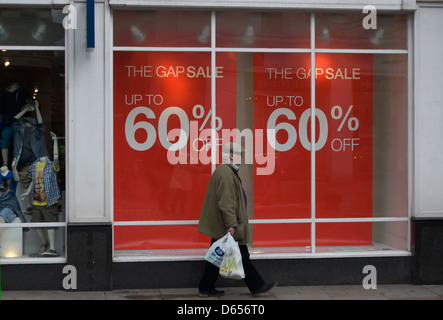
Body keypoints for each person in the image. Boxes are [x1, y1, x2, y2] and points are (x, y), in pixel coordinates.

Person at [198, 142, 277, 297]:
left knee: (217, 255)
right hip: (226, 225)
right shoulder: (226, 173)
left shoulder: (227, 171)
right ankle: (257, 285)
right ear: (231, 155)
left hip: (223, 224)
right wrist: (231, 224)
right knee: (241, 255)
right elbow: (226, 202)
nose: (242, 157)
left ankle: (205, 286)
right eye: (239, 154)